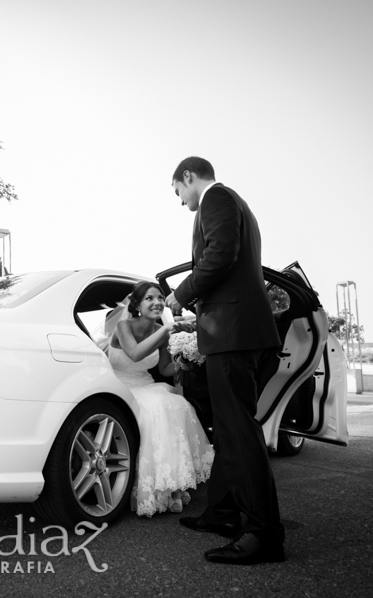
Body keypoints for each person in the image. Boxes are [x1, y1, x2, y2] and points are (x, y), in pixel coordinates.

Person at [165, 156, 284, 565]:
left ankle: (263, 534)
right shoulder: (235, 203)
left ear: (188, 177)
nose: (180, 202)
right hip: (235, 331)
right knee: (231, 430)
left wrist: (181, 293)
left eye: (177, 191)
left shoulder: (216, 199)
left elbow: (220, 254)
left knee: (239, 431)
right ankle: (224, 513)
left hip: (233, 335)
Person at [108, 280, 214, 516]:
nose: (156, 302)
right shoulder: (124, 326)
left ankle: (171, 485)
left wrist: (183, 362)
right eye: (149, 298)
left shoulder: (161, 330)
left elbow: (165, 368)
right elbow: (134, 355)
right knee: (157, 406)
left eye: (159, 298)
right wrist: (167, 330)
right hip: (120, 386)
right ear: (136, 304)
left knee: (177, 403)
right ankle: (155, 488)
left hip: (146, 384)